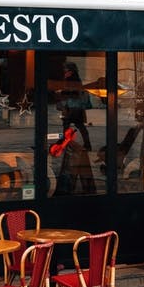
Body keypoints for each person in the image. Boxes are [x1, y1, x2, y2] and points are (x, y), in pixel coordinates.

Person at [50, 63, 96, 195]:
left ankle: (66, 143)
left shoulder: (71, 80)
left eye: (66, 70)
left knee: (70, 126)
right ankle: (84, 143)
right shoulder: (76, 79)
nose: (64, 72)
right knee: (79, 127)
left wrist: (61, 96)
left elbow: (70, 93)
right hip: (75, 108)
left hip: (71, 108)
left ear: (70, 71)